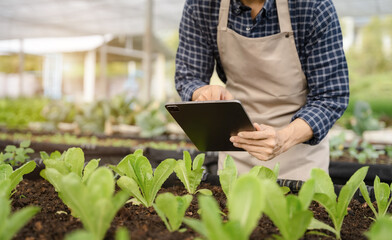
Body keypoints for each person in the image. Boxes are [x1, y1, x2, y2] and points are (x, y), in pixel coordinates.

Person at [174, 0, 349, 180]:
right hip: (236, 151)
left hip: (298, 155)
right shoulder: (201, 5)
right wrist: (204, 93)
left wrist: (283, 139)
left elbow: (330, 97)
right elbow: (188, 77)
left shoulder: (312, 6)